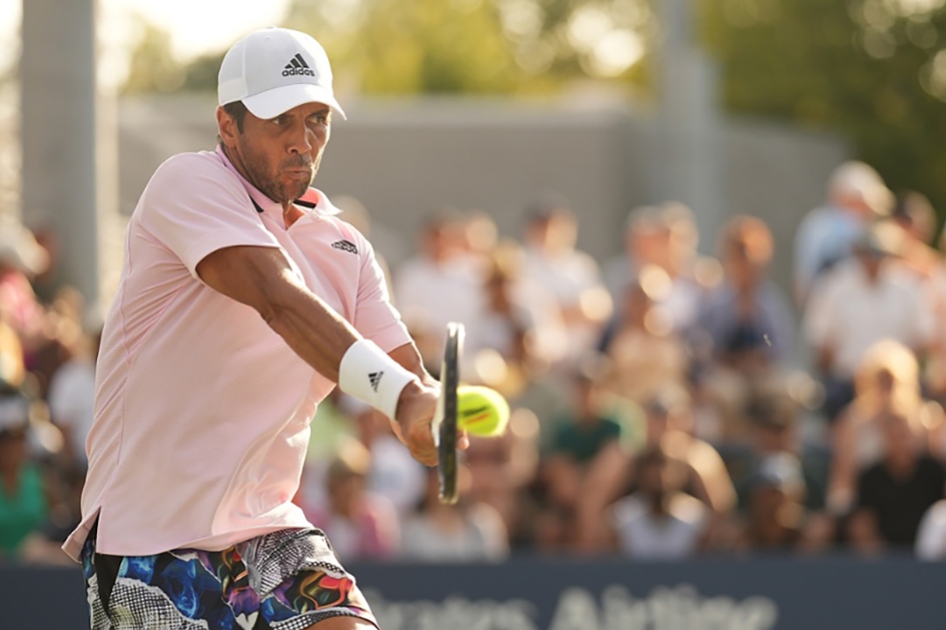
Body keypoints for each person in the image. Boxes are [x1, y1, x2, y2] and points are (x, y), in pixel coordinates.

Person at [64, 28, 450, 630]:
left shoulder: (349, 249)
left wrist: (425, 417)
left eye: (317, 119)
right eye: (281, 121)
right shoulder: (186, 183)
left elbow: (405, 378)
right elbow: (278, 299)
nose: (303, 142)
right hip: (147, 537)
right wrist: (402, 395)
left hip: (270, 529)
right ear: (227, 125)